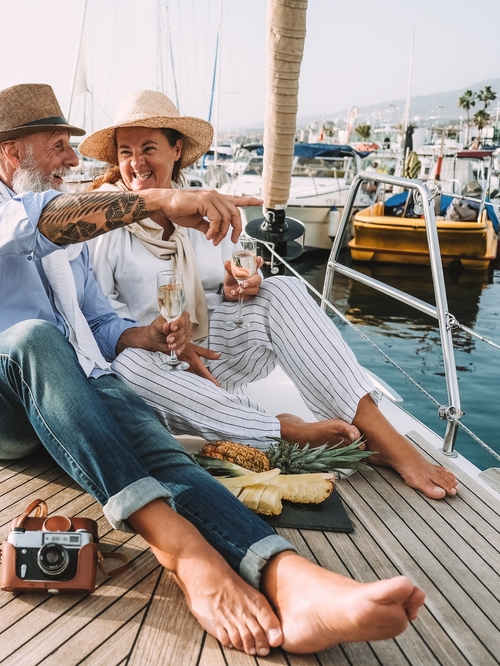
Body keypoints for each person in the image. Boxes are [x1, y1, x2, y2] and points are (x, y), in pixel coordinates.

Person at [0, 83, 424, 655]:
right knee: (36, 340)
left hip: (66, 396)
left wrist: (149, 336)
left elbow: (100, 325)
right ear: (13, 152)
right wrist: (159, 201)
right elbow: (30, 225)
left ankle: (290, 577)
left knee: (160, 449)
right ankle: (185, 555)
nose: (72, 158)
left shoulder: (71, 241)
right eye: (59, 145)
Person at [81, 90, 458, 500]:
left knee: (284, 288)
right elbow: (101, 326)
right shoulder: (104, 221)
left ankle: (382, 436)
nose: (135, 162)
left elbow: (230, 284)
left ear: (177, 150)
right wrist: (157, 339)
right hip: (156, 372)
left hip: (212, 359)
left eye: (148, 148)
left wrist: (240, 286)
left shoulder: (208, 208)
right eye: (125, 151)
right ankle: (283, 431)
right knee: (130, 363)